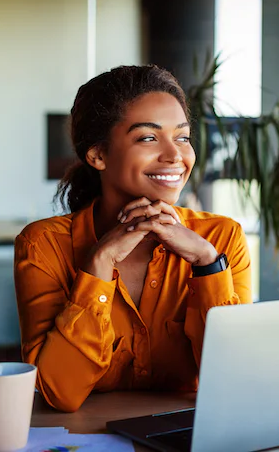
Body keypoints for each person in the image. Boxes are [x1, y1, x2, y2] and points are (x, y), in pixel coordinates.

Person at [14, 65, 252, 412]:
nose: (175, 156)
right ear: (97, 155)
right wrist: (98, 266)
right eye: (148, 138)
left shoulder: (220, 239)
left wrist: (207, 265)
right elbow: (59, 393)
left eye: (182, 137)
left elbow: (236, 381)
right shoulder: (43, 245)